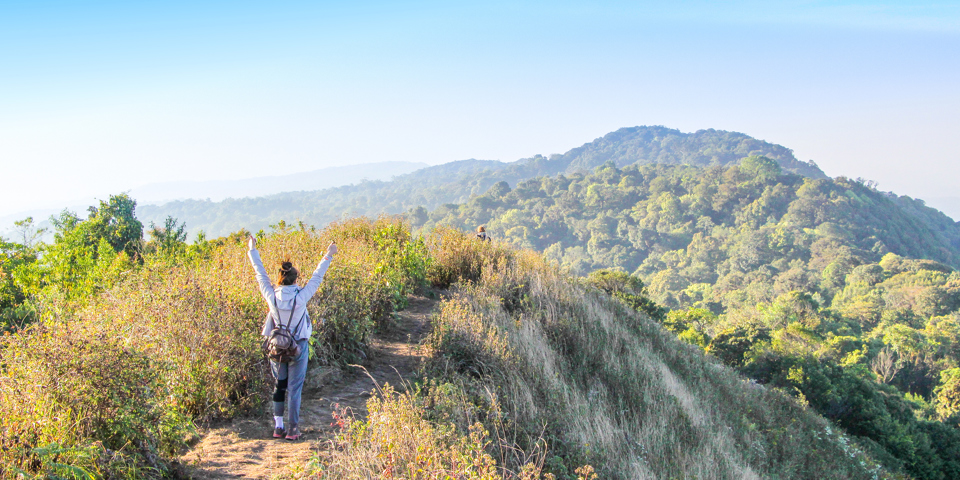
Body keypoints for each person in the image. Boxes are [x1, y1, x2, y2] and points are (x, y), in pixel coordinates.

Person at [247, 234, 337, 441]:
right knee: (295, 389)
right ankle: (293, 429)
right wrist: (328, 255)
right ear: (296, 279)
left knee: (280, 385)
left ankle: (278, 427)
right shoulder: (301, 296)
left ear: (279, 278)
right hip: (299, 346)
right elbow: (317, 276)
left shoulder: (271, 296)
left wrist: (252, 250)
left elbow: (259, 274)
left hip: (276, 346)